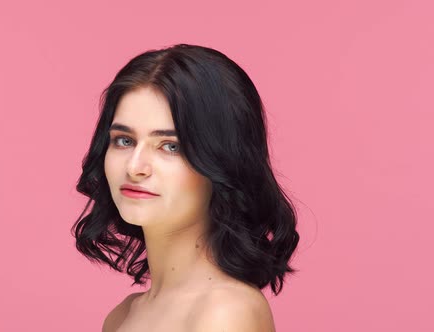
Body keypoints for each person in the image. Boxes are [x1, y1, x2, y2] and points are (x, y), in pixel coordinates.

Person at [71, 44, 300, 331]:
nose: (134, 167)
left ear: (221, 161)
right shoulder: (122, 316)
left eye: (170, 146)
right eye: (124, 140)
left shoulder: (227, 313)